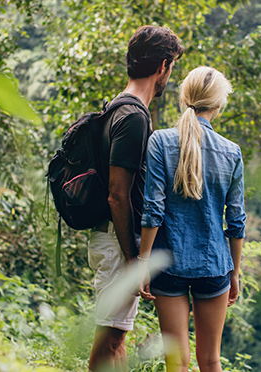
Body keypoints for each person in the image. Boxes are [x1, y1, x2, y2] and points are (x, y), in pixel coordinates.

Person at [137, 66, 246, 372]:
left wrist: (144, 264)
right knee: (210, 360)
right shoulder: (231, 152)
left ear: (184, 98)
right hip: (214, 265)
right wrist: (234, 273)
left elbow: (152, 210)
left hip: (167, 264)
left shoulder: (160, 142)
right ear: (219, 104)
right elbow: (236, 222)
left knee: (177, 362)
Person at [88, 25, 183, 372]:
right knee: (107, 340)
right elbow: (118, 194)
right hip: (118, 242)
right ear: (162, 65)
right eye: (171, 67)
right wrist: (133, 259)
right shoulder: (133, 117)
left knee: (117, 338)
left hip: (113, 239)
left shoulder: (119, 106)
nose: (169, 76)